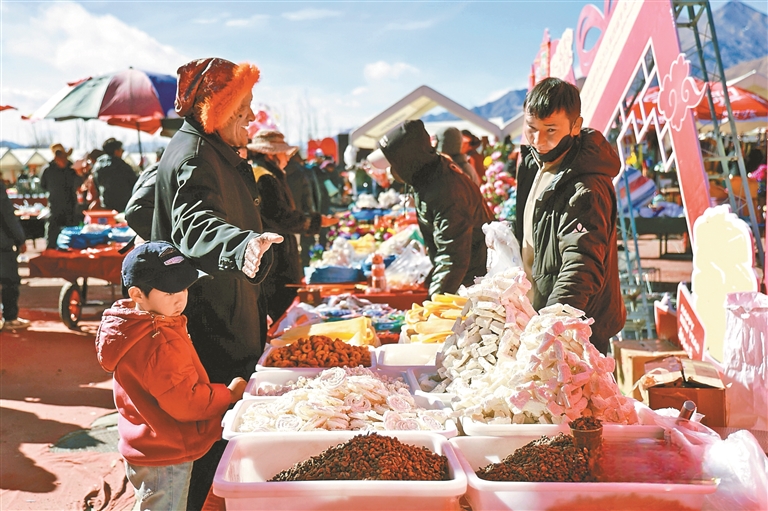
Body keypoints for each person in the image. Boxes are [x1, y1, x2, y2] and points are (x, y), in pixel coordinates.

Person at [151, 57, 283, 509]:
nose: (252, 115)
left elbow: (148, 209)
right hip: (213, 328)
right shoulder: (195, 155)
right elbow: (195, 224)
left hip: (227, 311)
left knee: (213, 449)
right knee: (206, 451)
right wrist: (241, 246)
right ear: (217, 111)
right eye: (243, 108)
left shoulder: (208, 149)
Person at [95, 241, 247, 511]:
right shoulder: (159, 340)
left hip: (144, 442)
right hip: (166, 449)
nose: (180, 299)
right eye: (169, 292)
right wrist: (229, 394)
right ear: (137, 294)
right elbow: (185, 401)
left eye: (184, 288)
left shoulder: (131, 326)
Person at [514, 77, 626, 355]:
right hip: (540, 318)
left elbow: (581, 264)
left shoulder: (586, 188)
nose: (538, 140)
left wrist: (552, 327)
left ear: (576, 126)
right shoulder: (537, 164)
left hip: (575, 331)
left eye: (550, 130)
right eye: (531, 128)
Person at [368, 119, 491, 295]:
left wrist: (434, 301)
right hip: (466, 275)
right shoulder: (429, 176)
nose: (392, 172)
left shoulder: (446, 189)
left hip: (474, 279)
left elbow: (453, 257)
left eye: (394, 165)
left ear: (408, 161)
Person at [247, 130, 336, 323]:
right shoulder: (265, 177)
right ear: (271, 154)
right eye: (284, 153)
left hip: (273, 250)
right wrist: (316, 222)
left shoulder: (264, 173)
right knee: (279, 306)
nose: (287, 157)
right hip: (275, 255)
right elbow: (281, 216)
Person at [40, 143, 82, 250]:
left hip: (70, 206)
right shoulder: (48, 170)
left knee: (71, 237)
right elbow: (43, 185)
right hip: (55, 206)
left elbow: (79, 182)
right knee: (52, 235)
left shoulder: (72, 169)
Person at [0, 182, 30, 331]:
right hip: (2, 244)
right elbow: (6, 215)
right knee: (9, 280)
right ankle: (10, 318)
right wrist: (20, 239)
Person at [91, 138, 138, 212]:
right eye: (121, 150)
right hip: (123, 205)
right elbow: (134, 183)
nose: (122, 153)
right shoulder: (122, 166)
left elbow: (96, 183)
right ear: (116, 151)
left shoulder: (97, 165)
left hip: (105, 204)